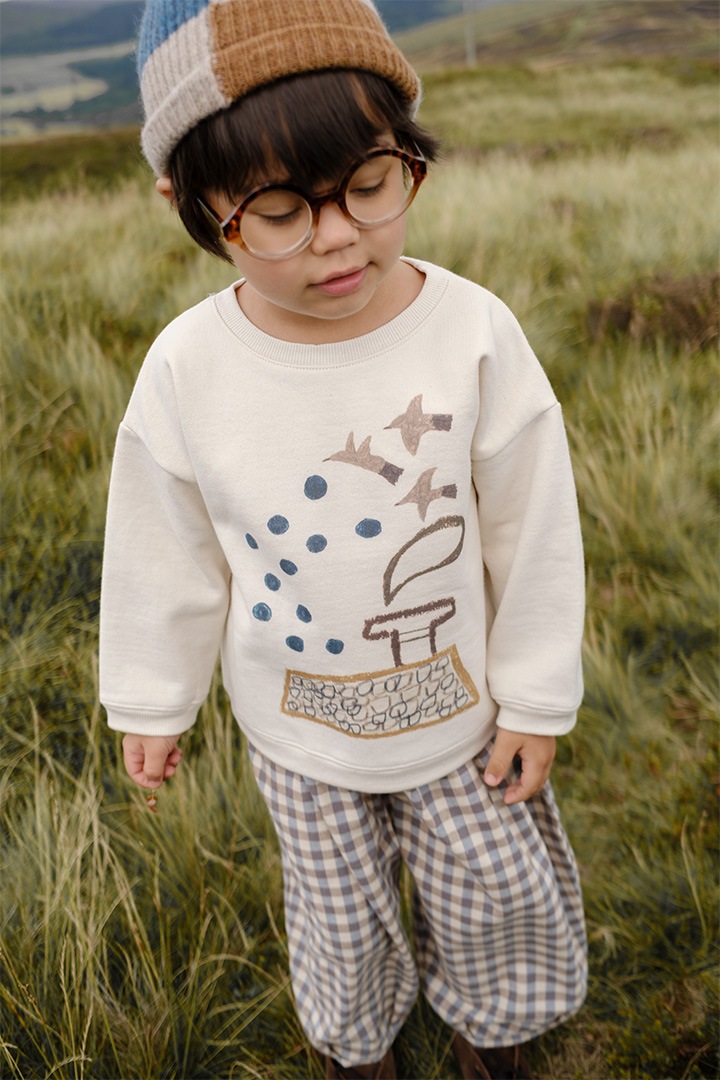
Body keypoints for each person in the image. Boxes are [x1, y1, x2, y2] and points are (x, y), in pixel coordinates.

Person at [100, 2, 588, 1077]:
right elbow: (162, 547)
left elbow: (534, 528)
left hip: (463, 718)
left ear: (407, 152)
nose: (337, 236)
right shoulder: (188, 368)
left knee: (495, 899)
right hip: (300, 735)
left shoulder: (471, 331)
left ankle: (494, 1040)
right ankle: (357, 1051)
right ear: (190, 200)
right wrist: (151, 697)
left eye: (369, 184)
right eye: (278, 210)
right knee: (339, 920)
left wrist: (536, 696)